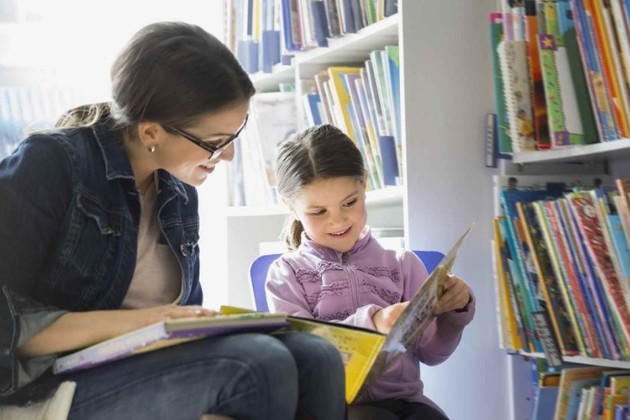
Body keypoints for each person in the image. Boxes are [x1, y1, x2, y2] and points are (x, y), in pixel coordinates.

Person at [0, 22, 346, 420]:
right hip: (39, 385)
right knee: (256, 364)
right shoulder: (51, 163)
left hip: (133, 367)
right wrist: (139, 322)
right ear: (151, 132)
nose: (228, 156)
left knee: (317, 355)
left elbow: (180, 316)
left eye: (234, 136)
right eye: (215, 143)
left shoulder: (178, 193)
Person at [266, 124, 476, 420]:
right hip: (330, 408)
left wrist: (454, 315)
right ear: (290, 206)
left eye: (349, 203)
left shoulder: (403, 264)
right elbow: (304, 357)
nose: (338, 221)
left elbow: (431, 354)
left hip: (405, 402)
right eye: (318, 212)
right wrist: (372, 323)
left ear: (364, 183)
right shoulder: (286, 274)